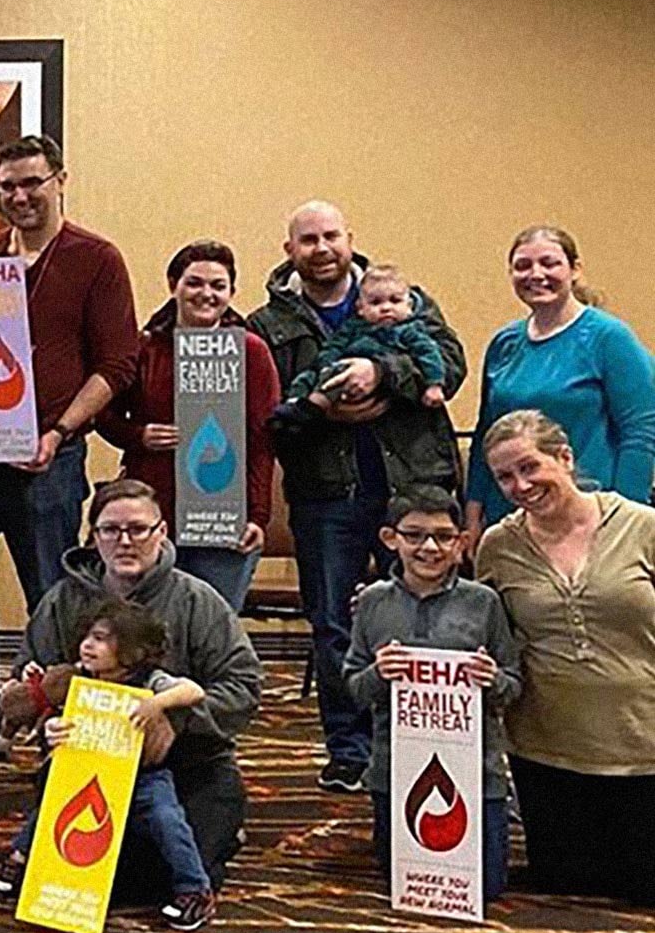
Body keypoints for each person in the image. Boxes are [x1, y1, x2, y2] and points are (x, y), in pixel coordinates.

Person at [246, 200, 465, 793]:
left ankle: (422, 743)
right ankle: (349, 750)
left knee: (427, 616)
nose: (322, 248)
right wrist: (323, 406)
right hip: (326, 495)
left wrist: (380, 373)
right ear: (290, 249)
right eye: (308, 239)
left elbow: (450, 363)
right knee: (333, 626)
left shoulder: (407, 298)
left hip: (412, 487)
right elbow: (272, 421)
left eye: (331, 236)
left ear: (350, 239)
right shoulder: (267, 325)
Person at [0, 136, 140, 765]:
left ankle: (58, 728)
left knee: (55, 599)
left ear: (60, 179)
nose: (19, 196)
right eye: (7, 186)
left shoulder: (96, 259)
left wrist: (58, 431)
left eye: (32, 182)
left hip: (50, 458)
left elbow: (118, 364)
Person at [11, 479, 263, 896]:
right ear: (94, 538)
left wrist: (174, 718)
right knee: (88, 877)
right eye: (110, 530)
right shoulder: (62, 602)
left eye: (138, 529)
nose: (125, 541)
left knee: (179, 871)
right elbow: (27, 681)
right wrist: (51, 717)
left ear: (161, 533)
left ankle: (217, 838)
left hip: (188, 765)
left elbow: (243, 689)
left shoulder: (198, 601)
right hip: (87, 768)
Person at [475, 410, 655, 903]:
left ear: (566, 458)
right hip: (546, 752)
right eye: (505, 477)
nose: (520, 485)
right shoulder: (498, 545)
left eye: (529, 467)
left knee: (641, 892)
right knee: (563, 892)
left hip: (643, 748)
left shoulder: (642, 527)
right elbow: (476, 625)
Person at [0, 600, 217, 931]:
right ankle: (20, 859)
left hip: (144, 774)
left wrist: (156, 703)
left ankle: (195, 889)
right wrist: (53, 728)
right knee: (52, 803)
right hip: (86, 768)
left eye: (101, 639)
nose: (88, 646)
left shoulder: (150, 680)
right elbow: (51, 718)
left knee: (167, 818)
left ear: (134, 650)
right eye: (87, 637)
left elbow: (193, 691)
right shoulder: (77, 678)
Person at [341, 490, 519, 902]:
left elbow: (514, 685)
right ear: (390, 538)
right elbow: (352, 689)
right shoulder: (371, 602)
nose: (429, 548)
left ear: (460, 541)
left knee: (486, 888)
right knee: (402, 882)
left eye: (443, 536)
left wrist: (492, 679)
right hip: (395, 769)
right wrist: (378, 674)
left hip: (477, 771)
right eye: (415, 535)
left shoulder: (484, 603)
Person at [96, 241, 278, 610]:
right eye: (194, 283)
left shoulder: (252, 352)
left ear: (232, 292)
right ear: (173, 285)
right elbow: (102, 415)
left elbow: (262, 439)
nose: (206, 294)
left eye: (218, 285)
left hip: (224, 518)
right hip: (152, 512)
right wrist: (138, 436)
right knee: (139, 626)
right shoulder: (143, 349)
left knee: (212, 626)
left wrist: (258, 515)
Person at [465, 227, 655, 547]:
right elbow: (487, 434)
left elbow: (641, 432)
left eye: (549, 263)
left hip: (590, 520)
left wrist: (623, 519)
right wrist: (473, 515)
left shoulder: (608, 338)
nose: (536, 274)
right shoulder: (504, 343)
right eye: (523, 266)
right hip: (513, 518)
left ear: (575, 269)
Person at [270, 264, 449, 423]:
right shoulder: (354, 327)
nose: (386, 308)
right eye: (376, 303)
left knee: (334, 380)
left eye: (395, 301)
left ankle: (313, 406)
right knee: (310, 375)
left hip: (395, 420)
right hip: (339, 371)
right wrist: (324, 364)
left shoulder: (411, 330)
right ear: (361, 308)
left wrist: (434, 384)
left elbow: (433, 356)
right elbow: (335, 345)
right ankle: (295, 401)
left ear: (409, 306)